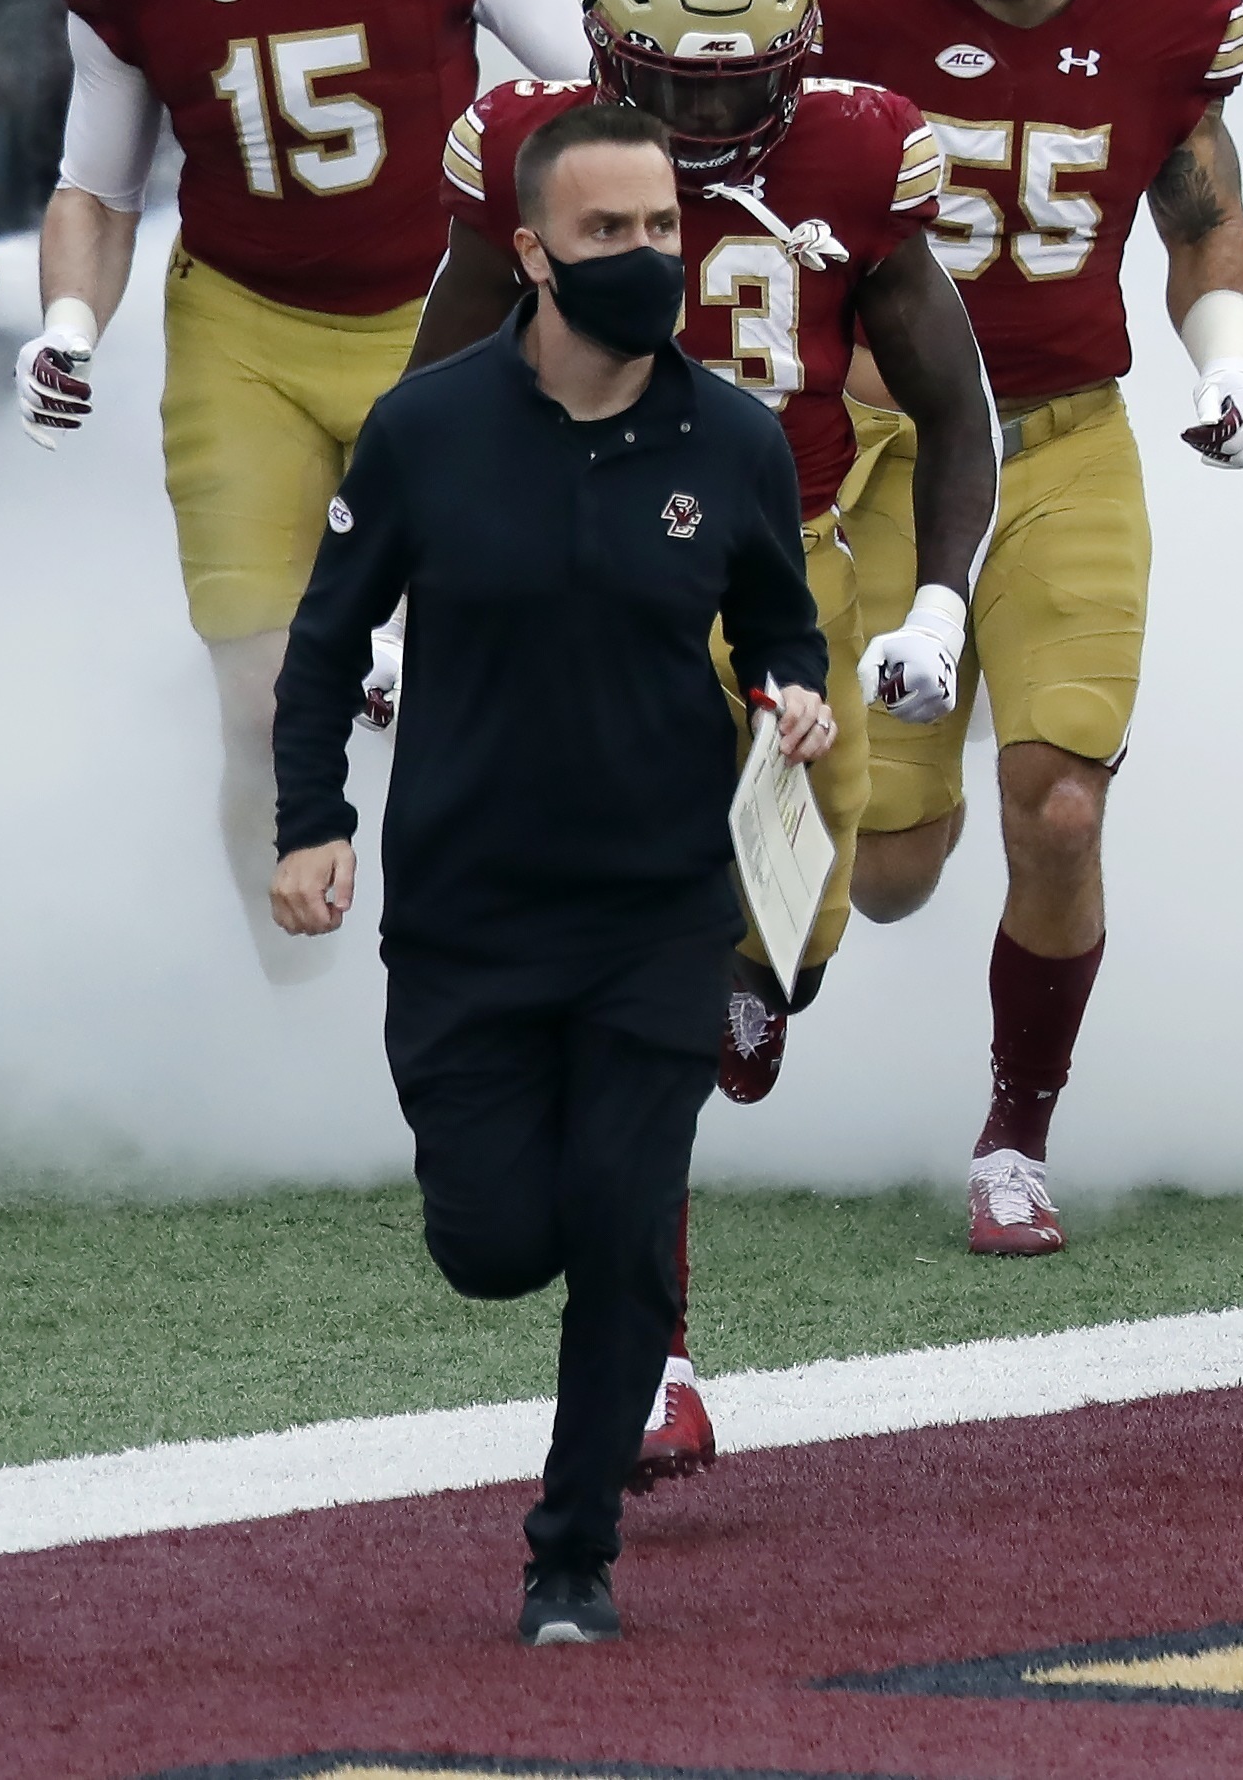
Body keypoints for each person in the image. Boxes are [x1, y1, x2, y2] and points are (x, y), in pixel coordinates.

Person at [414, 0, 998, 1470]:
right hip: (582, 565)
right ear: (605, 58)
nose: (717, 115)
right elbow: (437, 388)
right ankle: (656, 1363)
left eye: (746, 79)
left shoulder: (860, 152)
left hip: (784, 557)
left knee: (791, 931)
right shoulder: (529, 155)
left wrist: (940, 600)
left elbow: (954, 406)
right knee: (646, 978)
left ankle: (751, 988)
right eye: (676, 85)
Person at [270, 100, 837, 1648]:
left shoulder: (733, 438)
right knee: (497, 1245)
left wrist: (797, 690)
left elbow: (783, 623)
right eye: (608, 235)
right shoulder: (426, 431)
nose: (646, 260)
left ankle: (571, 1558)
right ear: (530, 252)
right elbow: (326, 644)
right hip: (466, 917)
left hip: (660, 911)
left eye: (662, 230)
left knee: (620, 1220)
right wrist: (309, 818)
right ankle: (518, 1302)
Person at [16, 0, 584, 980]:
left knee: (503, 681)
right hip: (246, 329)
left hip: (447, 326)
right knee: (267, 703)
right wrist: (69, 320)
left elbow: (584, 84)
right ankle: (295, 983)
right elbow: (96, 178)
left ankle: (503, 974)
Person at [800, 0, 1243, 1257]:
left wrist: (1233, 356)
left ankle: (1016, 1130)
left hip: (1067, 435)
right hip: (888, 451)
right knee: (889, 872)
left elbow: (1199, 219)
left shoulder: (1169, 0)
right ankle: (740, 950)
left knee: (1060, 805)